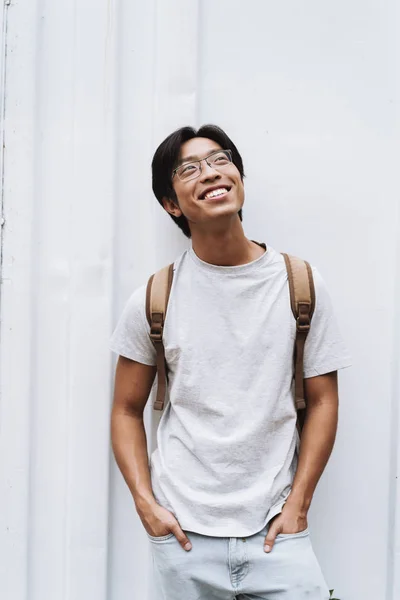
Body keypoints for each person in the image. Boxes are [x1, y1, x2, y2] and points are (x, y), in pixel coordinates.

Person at [110, 124, 351, 599]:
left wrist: (299, 503)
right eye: (190, 168)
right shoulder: (156, 296)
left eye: (221, 160)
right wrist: (146, 504)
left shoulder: (300, 283)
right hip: (183, 535)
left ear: (238, 176)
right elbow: (124, 409)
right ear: (171, 204)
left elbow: (323, 400)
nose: (211, 173)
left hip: (276, 531)